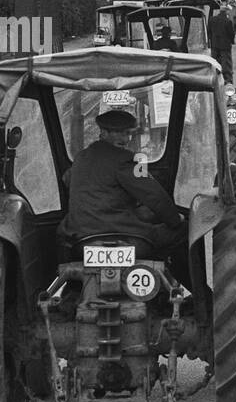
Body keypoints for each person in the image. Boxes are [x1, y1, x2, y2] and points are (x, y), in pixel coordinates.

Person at [60, 109, 188, 282]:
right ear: (103, 133)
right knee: (184, 230)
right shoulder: (130, 160)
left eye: (128, 133)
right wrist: (174, 219)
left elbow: (67, 180)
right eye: (120, 133)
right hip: (129, 241)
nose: (126, 139)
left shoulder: (81, 158)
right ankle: (188, 291)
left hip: (80, 241)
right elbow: (153, 195)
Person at [208, 7, 236, 81]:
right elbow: (231, 33)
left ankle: (214, 79)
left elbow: (209, 32)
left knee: (214, 63)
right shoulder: (228, 21)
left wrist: (211, 40)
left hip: (214, 46)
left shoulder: (212, 20)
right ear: (226, 12)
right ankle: (227, 80)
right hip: (225, 46)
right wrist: (232, 41)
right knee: (226, 64)